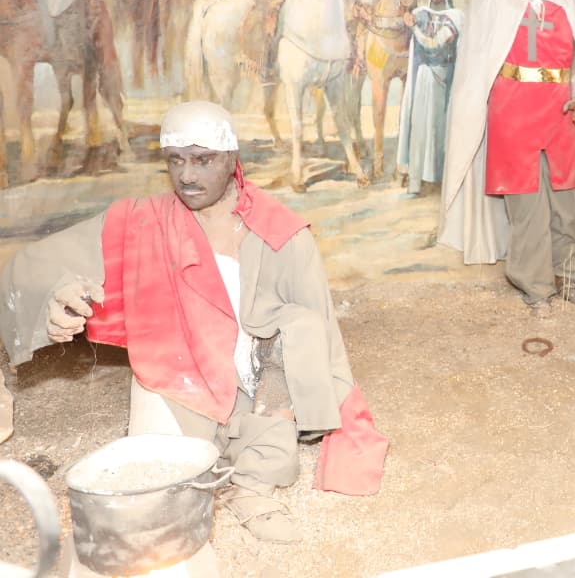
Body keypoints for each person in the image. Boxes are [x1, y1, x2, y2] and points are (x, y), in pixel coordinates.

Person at [0, 102, 388, 544]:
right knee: (157, 488)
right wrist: (58, 296)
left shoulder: (280, 231)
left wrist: (334, 400)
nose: (187, 175)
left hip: (261, 375)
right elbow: (33, 267)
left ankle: (253, 483)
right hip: (178, 368)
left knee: (296, 328)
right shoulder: (143, 219)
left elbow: (320, 329)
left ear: (231, 159)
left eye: (203, 160)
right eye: (175, 160)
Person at [440, 0, 575, 312]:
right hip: (512, 114)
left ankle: (568, 278)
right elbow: (477, 62)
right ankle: (536, 287)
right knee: (527, 208)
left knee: (565, 206)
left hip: (561, 113)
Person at [398, 0, 464, 197]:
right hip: (423, 77)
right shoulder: (421, 13)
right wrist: (407, 19)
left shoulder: (455, 17)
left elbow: (433, 44)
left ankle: (441, 182)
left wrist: (413, 27)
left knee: (439, 132)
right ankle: (415, 183)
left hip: (444, 79)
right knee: (418, 130)